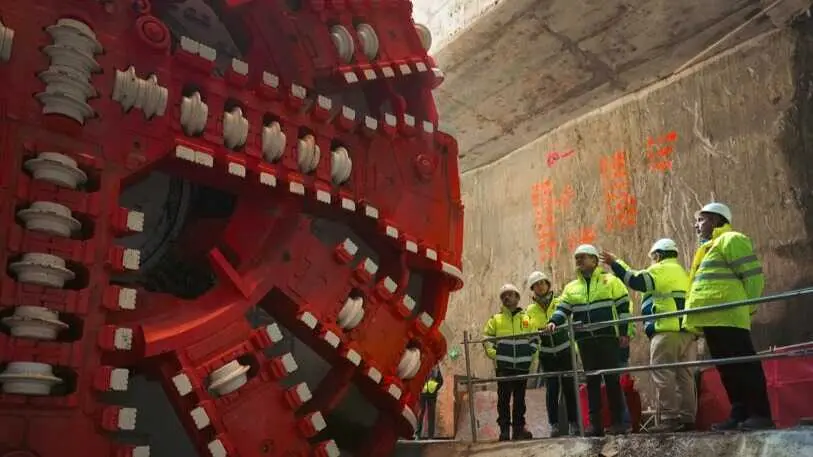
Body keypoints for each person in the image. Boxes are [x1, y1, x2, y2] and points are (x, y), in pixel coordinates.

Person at [686, 202, 773, 430]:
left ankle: (760, 414)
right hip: (711, 319)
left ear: (715, 220)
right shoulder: (707, 249)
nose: (697, 225)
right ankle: (739, 414)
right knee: (727, 370)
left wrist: (747, 307)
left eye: (701, 220)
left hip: (729, 316)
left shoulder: (731, 239)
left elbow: (753, 278)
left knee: (743, 365)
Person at [600, 238, 697, 432]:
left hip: (666, 330)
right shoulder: (681, 272)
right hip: (686, 332)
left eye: (652, 257)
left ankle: (669, 419)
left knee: (663, 373)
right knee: (684, 375)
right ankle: (687, 418)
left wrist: (615, 263)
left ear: (658, 255)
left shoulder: (660, 270)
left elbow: (636, 280)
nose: (651, 261)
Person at [545, 244, 631, 436]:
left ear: (594, 260)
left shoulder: (611, 281)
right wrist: (553, 321)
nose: (578, 261)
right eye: (577, 258)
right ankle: (595, 425)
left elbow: (624, 307)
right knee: (591, 382)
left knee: (612, 381)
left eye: (582, 257)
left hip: (608, 338)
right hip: (585, 342)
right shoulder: (571, 287)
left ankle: (619, 422)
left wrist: (624, 332)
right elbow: (563, 309)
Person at [525, 271, 579, 437]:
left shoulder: (560, 302)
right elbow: (528, 330)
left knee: (570, 389)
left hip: (565, 350)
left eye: (543, 283)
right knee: (552, 390)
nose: (540, 286)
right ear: (533, 289)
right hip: (547, 355)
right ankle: (554, 425)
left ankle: (574, 424)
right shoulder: (529, 310)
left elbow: (572, 321)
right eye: (536, 285)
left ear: (548, 284)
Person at [483, 283, 538, 441]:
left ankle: (519, 430)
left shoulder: (527, 319)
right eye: (503, 296)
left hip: (522, 366)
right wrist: (496, 355)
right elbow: (487, 338)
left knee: (520, 399)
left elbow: (535, 338)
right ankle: (504, 431)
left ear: (517, 297)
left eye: (510, 294)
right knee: (503, 399)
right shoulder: (496, 319)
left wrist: (530, 353)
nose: (506, 297)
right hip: (504, 366)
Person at [416, 365, 444, 439]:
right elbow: (418, 378)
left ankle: (430, 436)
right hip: (423, 393)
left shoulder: (436, 367)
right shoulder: (423, 365)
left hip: (432, 394)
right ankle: (417, 434)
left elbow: (441, 380)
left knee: (431, 415)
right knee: (421, 413)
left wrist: (435, 388)